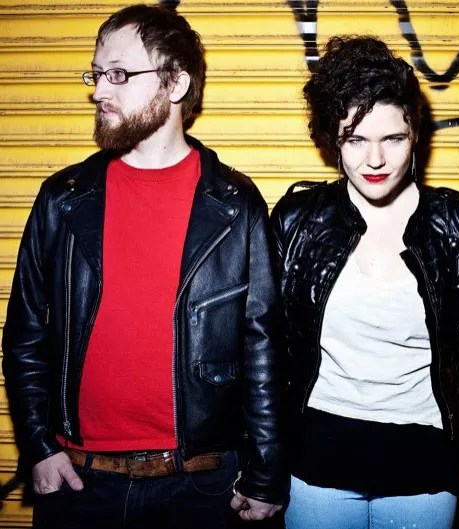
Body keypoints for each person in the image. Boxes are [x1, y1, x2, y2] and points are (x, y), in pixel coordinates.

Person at [2, 4, 285, 528]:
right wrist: (38, 445)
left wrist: (266, 472)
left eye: (118, 74)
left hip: (200, 487)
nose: (98, 91)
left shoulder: (234, 203)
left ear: (175, 83)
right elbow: (25, 336)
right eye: (96, 74)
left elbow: (262, 346)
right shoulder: (64, 198)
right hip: (79, 484)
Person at [271, 36, 459, 529]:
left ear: (416, 135)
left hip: (423, 463)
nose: (375, 160)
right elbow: (265, 339)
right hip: (317, 458)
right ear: (333, 140)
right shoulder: (298, 221)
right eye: (355, 139)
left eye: (392, 138)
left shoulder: (457, 222)